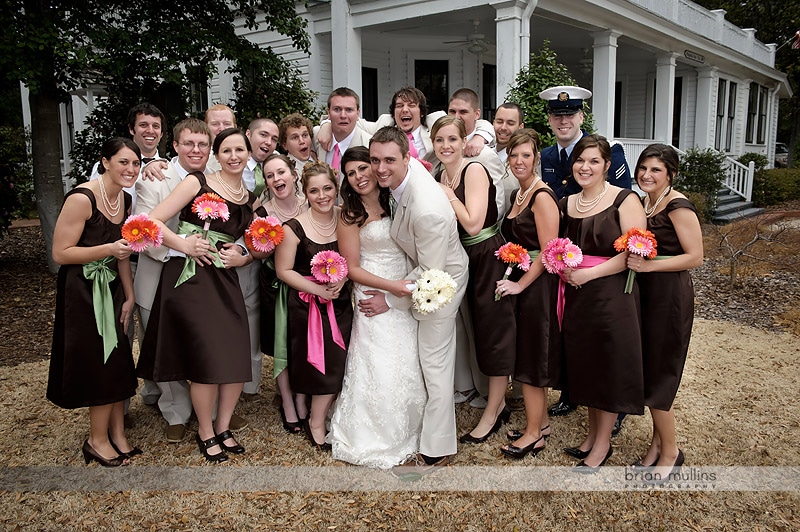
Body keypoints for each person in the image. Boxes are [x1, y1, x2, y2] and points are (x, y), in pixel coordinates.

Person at [137, 128, 256, 463]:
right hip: (190, 280)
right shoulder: (196, 182)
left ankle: (223, 426)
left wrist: (243, 255)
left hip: (225, 279)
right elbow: (151, 221)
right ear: (216, 155)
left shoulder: (248, 196)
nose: (234, 156)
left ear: (248, 155)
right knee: (207, 357)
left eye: (240, 150)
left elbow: (254, 242)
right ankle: (205, 430)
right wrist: (183, 244)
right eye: (227, 150)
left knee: (235, 354)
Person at [359, 127, 469, 479]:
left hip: (442, 282)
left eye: (390, 160)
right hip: (423, 268)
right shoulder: (405, 180)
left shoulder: (427, 210)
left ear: (408, 158)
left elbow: (432, 275)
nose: (380, 168)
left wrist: (390, 301)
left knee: (435, 364)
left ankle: (437, 451)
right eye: (375, 160)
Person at [327, 146, 426, 468]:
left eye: (363, 168)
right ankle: (375, 432)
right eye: (351, 173)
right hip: (373, 294)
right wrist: (392, 288)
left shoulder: (397, 202)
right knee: (378, 364)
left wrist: (404, 290)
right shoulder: (348, 215)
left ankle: (417, 428)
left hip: (406, 290)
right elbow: (352, 268)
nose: (358, 177)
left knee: (409, 359)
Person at [539, 85, 632, 421]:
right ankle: (571, 392)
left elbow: (623, 201)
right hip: (566, 253)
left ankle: (615, 407)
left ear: (581, 116)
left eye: (570, 114)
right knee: (572, 329)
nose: (564, 120)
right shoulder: (547, 156)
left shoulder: (608, 151)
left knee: (607, 338)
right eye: (557, 115)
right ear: (550, 119)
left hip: (602, 252)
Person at [47, 137, 141, 467]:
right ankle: (96, 440)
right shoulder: (82, 198)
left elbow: (123, 255)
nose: (131, 169)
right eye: (123, 162)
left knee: (117, 360)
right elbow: (61, 253)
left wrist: (129, 295)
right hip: (83, 291)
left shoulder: (126, 201)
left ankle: (117, 434)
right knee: (100, 364)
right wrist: (106, 250)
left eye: (135, 163)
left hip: (114, 288)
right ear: (105, 162)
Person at [559, 134, 646, 472]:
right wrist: (564, 266)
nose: (585, 166)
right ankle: (592, 435)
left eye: (594, 161)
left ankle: (603, 445)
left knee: (607, 367)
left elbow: (633, 252)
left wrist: (588, 276)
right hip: (576, 295)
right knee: (587, 366)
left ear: (607, 165)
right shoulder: (568, 203)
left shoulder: (625, 200)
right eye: (580, 160)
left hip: (612, 295)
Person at [431, 115, 516, 445]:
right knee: (477, 333)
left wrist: (446, 194)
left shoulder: (474, 170)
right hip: (462, 259)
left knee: (493, 333)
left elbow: (473, 223)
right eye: (440, 140)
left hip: (487, 256)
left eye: (452, 139)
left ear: (464, 141)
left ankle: (494, 410)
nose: (446, 146)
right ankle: (497, 401)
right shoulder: (441, 173)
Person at [627, 144, 703, 481]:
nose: (646, 175)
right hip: (648, 295)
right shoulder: (646, 202)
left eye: (655, 170)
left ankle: (671, 452)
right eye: (643, 168)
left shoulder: (678, 205)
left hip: (669, 297)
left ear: (670, 173)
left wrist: (648, 267)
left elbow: (695, 256)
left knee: (661, 374)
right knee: (651, 369)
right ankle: (658, 445)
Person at [134, 118, 211, 443]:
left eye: (202, 144)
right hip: (159, 272)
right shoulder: (153, 181)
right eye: (188, 144)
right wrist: (182, 246)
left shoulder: (216, 179)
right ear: (175, 146)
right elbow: (142, 229)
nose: (196, 150)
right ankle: (176, 412)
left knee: (206, 343)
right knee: (167, 346)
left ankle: (212, 405)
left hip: (205, 276)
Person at [274, 162, 353, 451]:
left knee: (342, 361)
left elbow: (356, 258)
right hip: (306, 305)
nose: (322, 196)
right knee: (323, 365)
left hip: (340, 301)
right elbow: (284, 271)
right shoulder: (293, 227)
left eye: (328, 188)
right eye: (314, 191)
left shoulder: (346, 219)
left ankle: (327, 414)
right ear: (305, 193)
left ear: (336, 187)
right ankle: (315, 421)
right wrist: (318, 290)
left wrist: (342, 282)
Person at [494, 129, 561, 459]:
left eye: (526, 155)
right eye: (513, 155)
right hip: (522, 283)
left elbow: (549, 252)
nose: (519, 160)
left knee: (533, 356)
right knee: (526, 352)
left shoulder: (542, 197)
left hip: (537, 288)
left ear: (537, 158)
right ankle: (542, 422)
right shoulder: (517, 196)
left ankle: (534, 434)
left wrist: (521, 284)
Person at [255, 153, 308, 433]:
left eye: (281, 172)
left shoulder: (312, 202)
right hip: (276, 286)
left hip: (310, 284)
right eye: (270, 176)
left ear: (294, 174)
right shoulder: (262, 213)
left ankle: (302, 396)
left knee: (305, 343)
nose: (277, 179)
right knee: (283, 347)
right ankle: (287, 401)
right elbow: (253, 250)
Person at [239, 118, 280, 403]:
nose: (268, 141)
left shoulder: (276, 172)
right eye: (263, 135)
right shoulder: (221, 164)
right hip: (227, 254)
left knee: (254, 321)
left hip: (261, 257)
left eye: (274, 138)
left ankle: (250, 386)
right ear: (248, 134)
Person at [313, 88, 372, 187]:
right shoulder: (315, 135)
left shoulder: (368, 145)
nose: (343, 115)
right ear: (328, 112)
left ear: (358, 113)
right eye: (337, 109)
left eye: (349, 110)